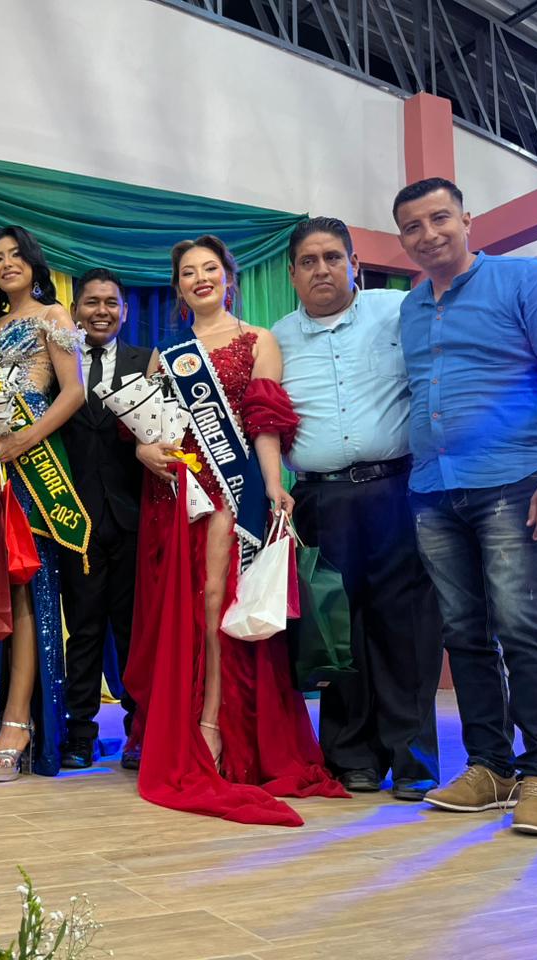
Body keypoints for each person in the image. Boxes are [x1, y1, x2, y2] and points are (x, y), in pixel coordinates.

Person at [125, 234, 347, 827]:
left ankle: (215, 725)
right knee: (183, 609)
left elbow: (263, 423)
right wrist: (144, 449)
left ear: (229, 277)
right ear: (178, 287)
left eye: (210, 268)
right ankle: (184, 724)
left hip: (232, 489)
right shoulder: (168, 353)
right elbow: (148, 425)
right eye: (188, 272)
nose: (200, 278)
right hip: (178, 495)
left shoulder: (258, 340)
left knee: (217, 604)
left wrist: (274, 486)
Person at [393, 178, 537, 836]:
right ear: (403, 239)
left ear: (467, 219)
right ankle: (490, 768)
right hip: (432, 489)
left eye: (440, 218)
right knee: (463, 633)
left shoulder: (524, 279)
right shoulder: (410, 308)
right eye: (413, 226)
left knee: (522, 624)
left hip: (512, 479)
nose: (428, 234)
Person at [272, 218, 443, 800]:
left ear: (354, 265)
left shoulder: (396, 311)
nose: (322, 269)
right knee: (336, 629)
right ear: (292, 274)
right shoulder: (277, 339)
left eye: (332, 257)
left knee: (407, 625)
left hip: (399, 489)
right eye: (308, 261)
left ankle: (413, 759)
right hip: (320, 498)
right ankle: (352, 758)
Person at [0, 226, 87, 781]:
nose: (7, 264)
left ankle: (18, 724)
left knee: (24, 589)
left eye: (17, 255)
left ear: (35, 262)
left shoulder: (53, 316)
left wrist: (25, 438)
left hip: (36, 468)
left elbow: (73, 391)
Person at [55, 269, 151, 770]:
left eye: (110, 302)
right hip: (75, 520)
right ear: (76, 310)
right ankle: (79, 734)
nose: (101, 311)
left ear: (124, 311)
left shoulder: (146, 362)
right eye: (91, 302)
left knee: (134, 631)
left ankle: (140, 731)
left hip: (133, 520)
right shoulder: (59, 364)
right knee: (84, 630)